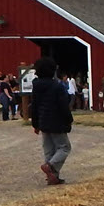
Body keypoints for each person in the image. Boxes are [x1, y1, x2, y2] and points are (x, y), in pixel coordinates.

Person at [31, 57, 73, 185]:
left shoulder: (36, 85)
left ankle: (52, 177)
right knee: (64, 147)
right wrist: (69, 119)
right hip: (57, 121)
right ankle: (50, 166)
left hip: (43, 120)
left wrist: (35, 123)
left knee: (49, 150)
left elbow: (35, 105)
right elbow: (63, 106)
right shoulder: (57, 86)